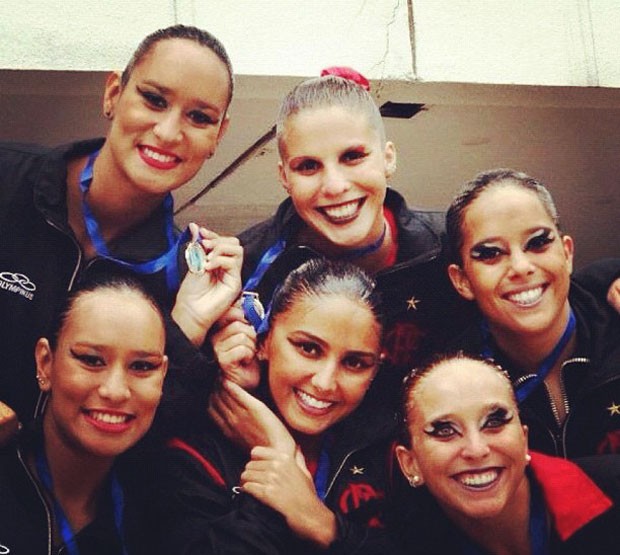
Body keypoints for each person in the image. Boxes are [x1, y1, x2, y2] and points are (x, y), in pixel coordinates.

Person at [0, 24, 241, 425]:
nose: (168, 132)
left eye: (199, 117)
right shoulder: (8, 178)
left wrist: (186, 330)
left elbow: (141, 442)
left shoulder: (184, 278)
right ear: (113, 93)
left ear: (218, 136)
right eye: (153, 99)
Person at [214, 69, 473, 403]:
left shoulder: (453, 246)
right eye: (308, 166)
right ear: (284, 177)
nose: (334, 186)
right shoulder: (243, 274)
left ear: (388, 157)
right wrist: (229, 385)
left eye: (352, 157)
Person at [145, 259, 393, 554]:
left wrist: (325, 527)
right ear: (263, 342)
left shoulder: (394, 451)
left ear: (376, 369)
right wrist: (276, 456)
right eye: (308, 348)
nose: (325, 383)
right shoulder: (192, 454)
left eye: (354, 363)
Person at [445, 169, 620, 457]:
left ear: (567, 253)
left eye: (538, 242)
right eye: (490, 253)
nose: (521, 266)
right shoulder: (451, 388)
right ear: (462, 280)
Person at [0, 270, 169, 554]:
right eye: (91, 360)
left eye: (142, 366)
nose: (115, 391)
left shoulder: (169, 519)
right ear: (45, 362)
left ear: (162, 376)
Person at [390, 353, 620, 555]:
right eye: (445, 431)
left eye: (494, 421)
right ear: (410, 463)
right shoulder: (400, 543)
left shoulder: (613, 489)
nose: (477, 450)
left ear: (523, 438)